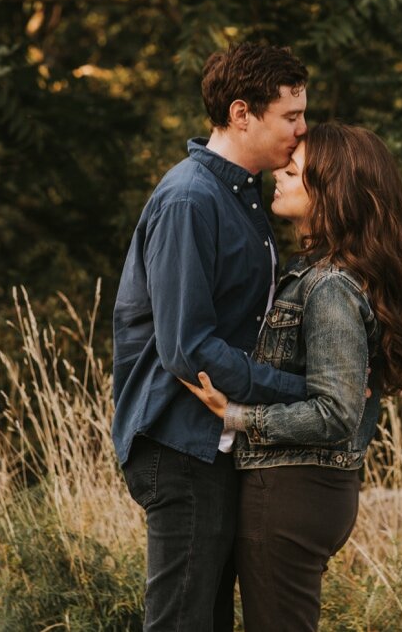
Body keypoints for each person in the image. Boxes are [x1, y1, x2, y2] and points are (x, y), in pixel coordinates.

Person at [182, 123, 402, 632]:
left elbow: (336, 412)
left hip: (292, 488)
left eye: (297, 169)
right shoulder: (315, 275)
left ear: (334, 191)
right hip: (304, 487)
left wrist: (237, 415)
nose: (281, 173)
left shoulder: (328, 286)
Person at [112, 43, 311, 632]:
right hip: (180, 442)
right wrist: (297, 391)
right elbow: (186, 348)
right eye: (292, 116)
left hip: (214, 443)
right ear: (242, 112)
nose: (302, 131)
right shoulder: (189, 200)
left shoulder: (244, 195)